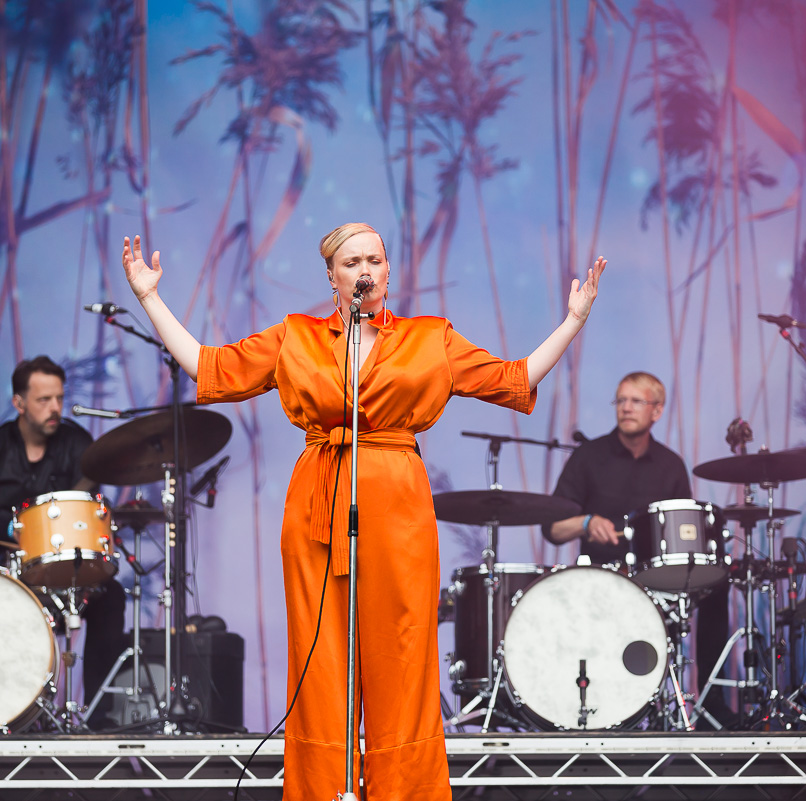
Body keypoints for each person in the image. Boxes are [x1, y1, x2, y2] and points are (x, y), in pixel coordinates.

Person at [121, 225, 605, 800]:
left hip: (397, 502)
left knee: (402, 654)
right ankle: (325, 790)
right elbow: (210, 367)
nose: (365, 269)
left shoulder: (432, 338)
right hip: (317, 503)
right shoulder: (295, 337)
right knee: (321, 657)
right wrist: (150, 297)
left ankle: (404, 791)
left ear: (388, 270)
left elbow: (514, 379)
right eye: (351, 262)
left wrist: (573, 321)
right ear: (333, 277)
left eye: (374, 258)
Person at [541, 371, 733, 728]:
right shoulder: (588, 457)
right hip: (600, 578)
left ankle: (711, 702)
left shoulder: (670, 464)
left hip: (656, 579)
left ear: (656, 411)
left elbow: (683, 534)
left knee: (717, 584)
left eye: (636, 401)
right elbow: (551, 528)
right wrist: (584, 523)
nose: (626, 408)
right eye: (621, 400)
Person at [0, 355, 126, 721]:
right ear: (19, 403)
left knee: (111, 596)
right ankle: (16, 714)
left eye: (58, 397)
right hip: (11, 573)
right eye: (43, 400)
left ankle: (100, 718)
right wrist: (14, 529)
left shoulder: (79, 443)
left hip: (66, 571)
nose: (55, 407)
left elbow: (85, 513)